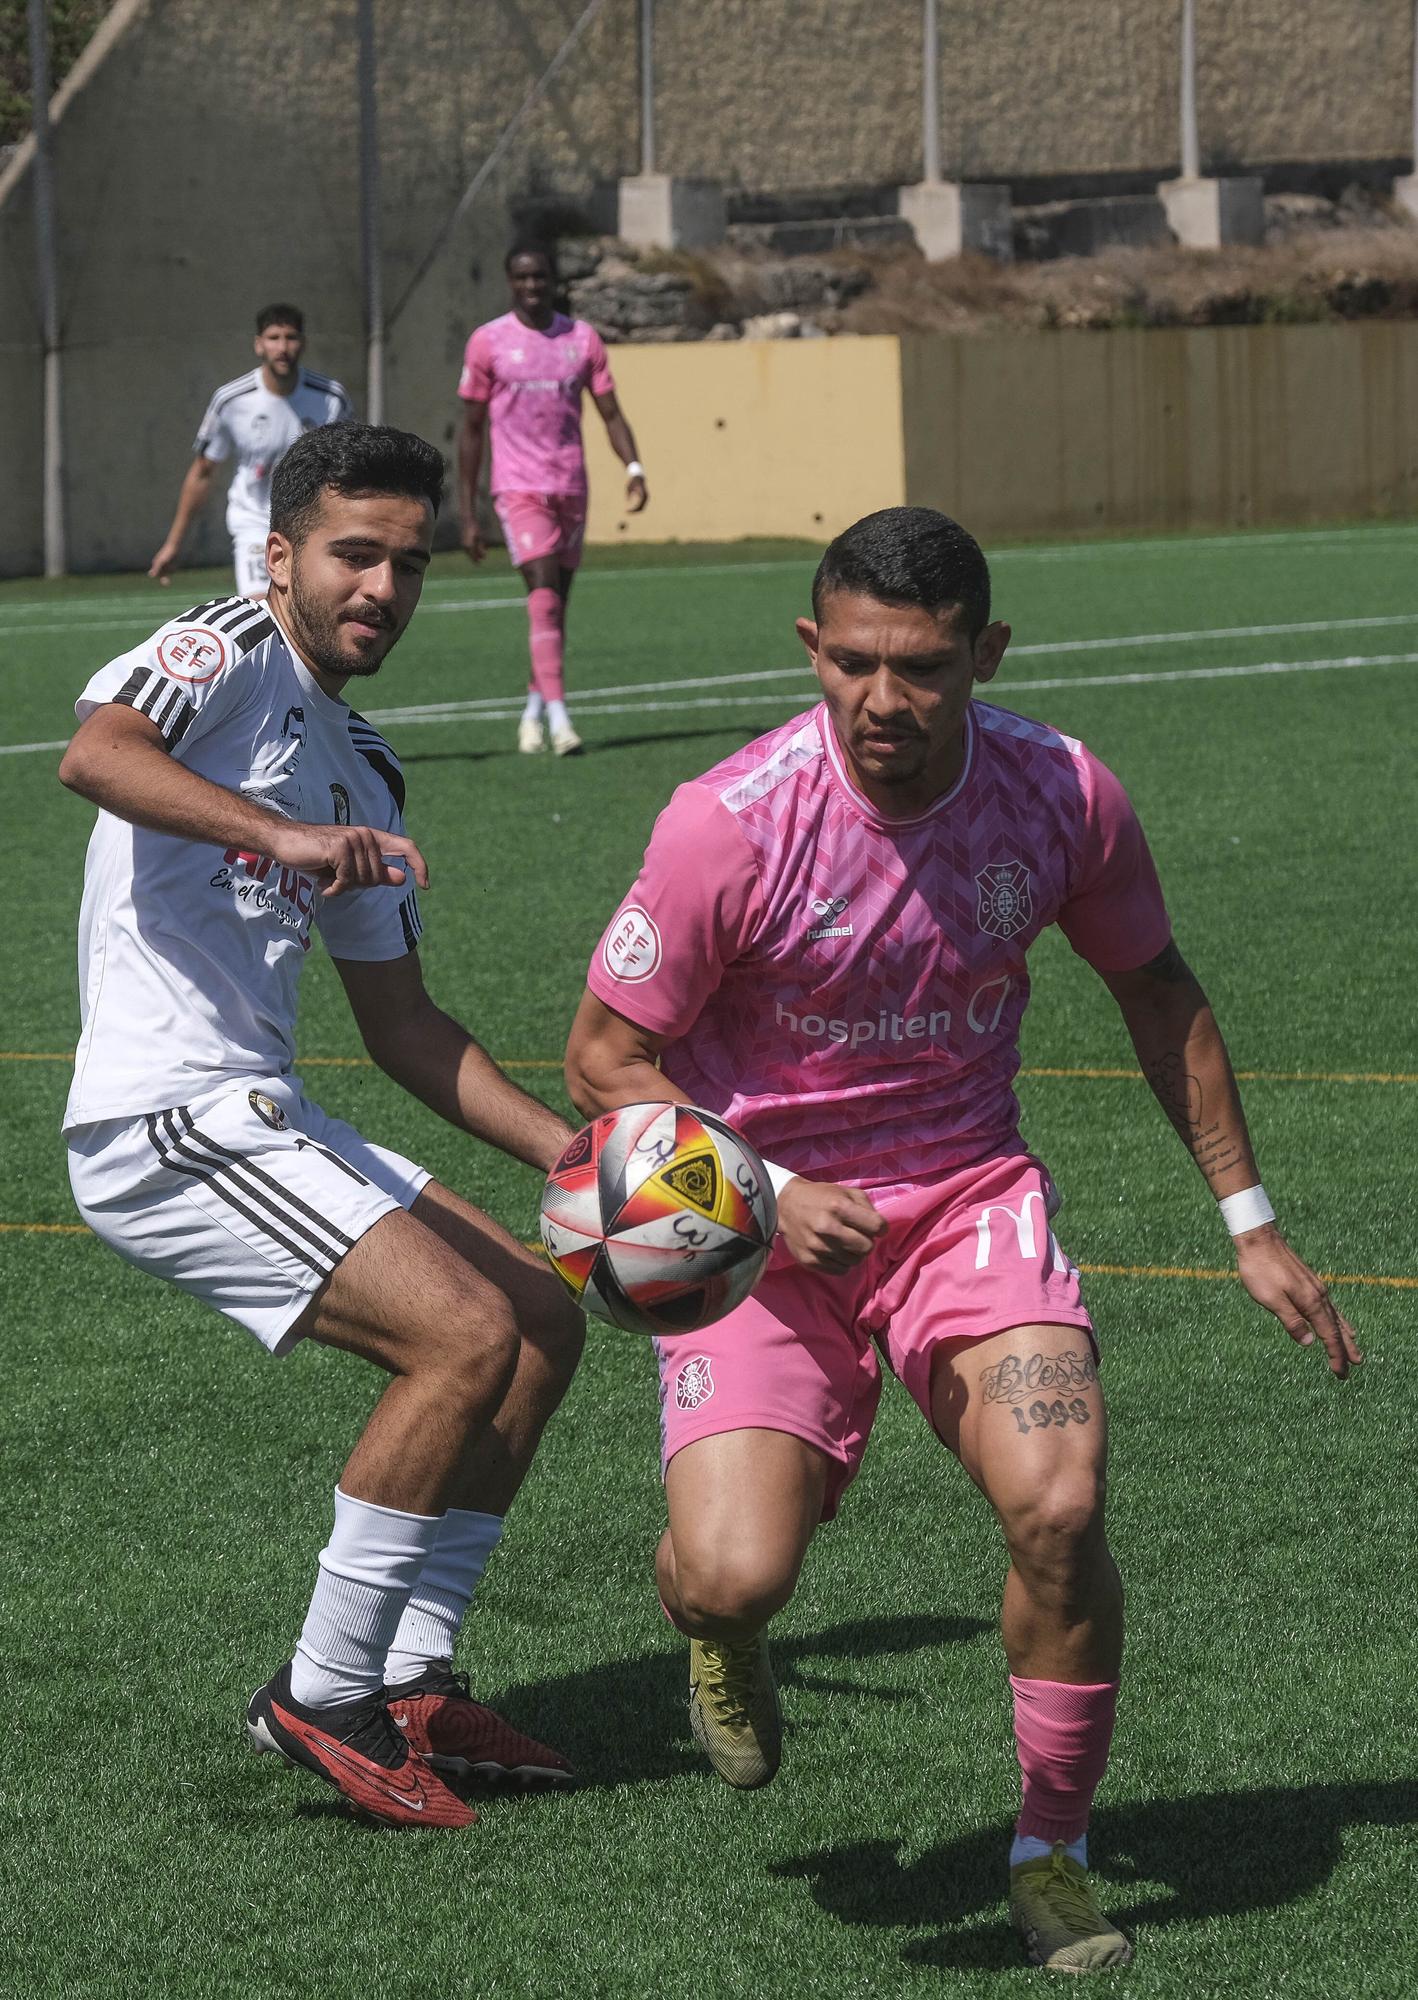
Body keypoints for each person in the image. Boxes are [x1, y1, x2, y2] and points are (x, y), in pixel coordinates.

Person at [564, 507, 1361, 1970]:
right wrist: (755, 1187)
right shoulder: (725, 822)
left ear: (983, 654)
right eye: (853, 663)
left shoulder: (1061, 795)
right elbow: (605, 1056)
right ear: (812, 647)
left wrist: (1248, 1222)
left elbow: (1158, 991)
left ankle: (1050, 1852)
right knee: (735, 1573)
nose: (882, 700)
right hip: (759, 1233)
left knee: (1058, 1504)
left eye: (922, 668)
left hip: (964, 1204)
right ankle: (719, 1634)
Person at [62, 423, 584, 1831]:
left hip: (265, 1110)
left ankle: (411, 1681)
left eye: (408, 564)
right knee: (459, 1334)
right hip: (159, 1121)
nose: (383, 588)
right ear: (281, 554)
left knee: (538, 1318)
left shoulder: (363, 763)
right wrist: (269, 834)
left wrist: (567, 1154)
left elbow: (403, 1025)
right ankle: (321, 1693)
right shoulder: (225, 645)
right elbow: (95, 753)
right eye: (355, 554)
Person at [457, 242, 648, 758]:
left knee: (555, 606)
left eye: (540, 277)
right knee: (542, 593)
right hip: (518, 488)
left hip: (571, 488)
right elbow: (471, 430)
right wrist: (468, 509)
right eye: (522, 278)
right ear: (509, 282)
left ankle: (533, 712)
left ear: (553, 281)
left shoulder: (581, 339)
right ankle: (563, 721)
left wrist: (633, 466)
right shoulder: (489, 342)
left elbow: (610, 412)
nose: (532, 286)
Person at [149, 304, 353, 601]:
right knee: (262, 605)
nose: (282, 347)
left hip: (314, 519)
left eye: (291, 337)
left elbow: (349, 467)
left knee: (317, 607)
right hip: (255, 521)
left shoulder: (331, 398)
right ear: (259, 344)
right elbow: (203, 472)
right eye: (273, 338)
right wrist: (174, 543)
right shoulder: (231, 400)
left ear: (303, 343)